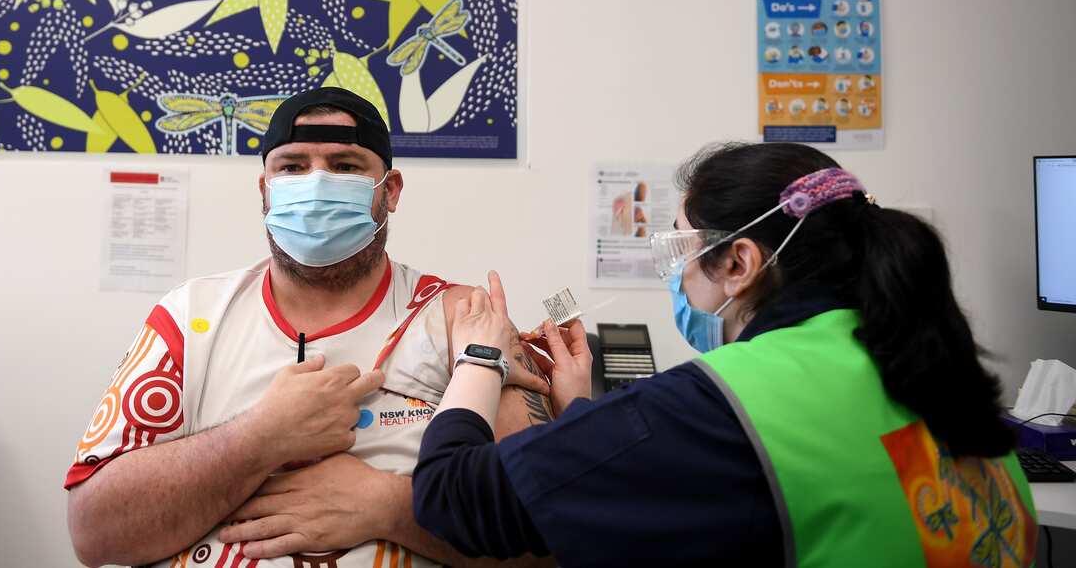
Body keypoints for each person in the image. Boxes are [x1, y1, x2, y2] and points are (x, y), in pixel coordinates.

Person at [412, 142, 1038, 567]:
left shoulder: (730, 402)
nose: (674, 276)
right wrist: (580, 409)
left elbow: (451, 496)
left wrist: (479, 356)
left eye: (679, 251)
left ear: (739, 263)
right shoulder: (934, 369)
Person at [65, 88, 553, 568]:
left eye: (345, 166)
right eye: (293, 167)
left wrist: (389, 507)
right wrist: (260, 437)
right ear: (265, 189)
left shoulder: (463, 320)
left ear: (391, 190)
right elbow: (94, 532)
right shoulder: (191, 318)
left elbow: (551, 538)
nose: (317, 184)